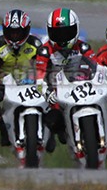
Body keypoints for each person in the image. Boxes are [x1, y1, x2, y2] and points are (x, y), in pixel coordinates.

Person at [0, 9, 44, 147]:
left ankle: (53, 131)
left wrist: (44, 85)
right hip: (4, 84)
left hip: (31, 83)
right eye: (11, 32)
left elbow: (45, 68)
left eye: (18, 32)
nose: (15, 36)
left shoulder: (36, 45)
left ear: (26, 30)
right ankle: (2, 126)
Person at [34, 8, 100, 150]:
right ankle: (53, 134)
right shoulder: (45, 51)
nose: (62, 39)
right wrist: (47, 92)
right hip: (57, 97)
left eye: (66, 33)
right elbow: (38, 78)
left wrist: (105, 81)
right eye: (58, 34)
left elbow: (98, 67)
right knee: (51, 120)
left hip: (82, 91)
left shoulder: (83, 47)